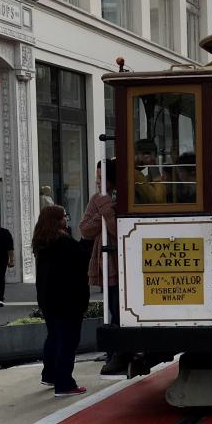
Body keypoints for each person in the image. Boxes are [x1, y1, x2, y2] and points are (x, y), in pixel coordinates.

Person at [33, 205, 90, 395]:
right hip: (68, 300)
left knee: (54, 337)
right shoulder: (64, 243)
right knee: (68, 341)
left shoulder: (42, 241)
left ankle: (49, 375)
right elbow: (83, 258)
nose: (67, 219)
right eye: (64, 216)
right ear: (57, 220)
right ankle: (64, 383)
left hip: (48, 299)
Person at [80, 159, 127, 376]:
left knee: (119, 309)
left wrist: (106, 213)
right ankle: (113, 352)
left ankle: (121, 351)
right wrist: (105, 214)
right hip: (105, 260)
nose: (98, 182)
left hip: (123, 258)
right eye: (97, 178)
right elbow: (84, 229)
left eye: (101, 178)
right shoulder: (96, 200)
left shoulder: (122, 198)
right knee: (111, 307)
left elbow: (119, 230)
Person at [134, 139, 167, 204]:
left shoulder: (137, 174)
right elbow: (158, 200)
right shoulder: (135, 174)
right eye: (147, 153)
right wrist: (153, 166)